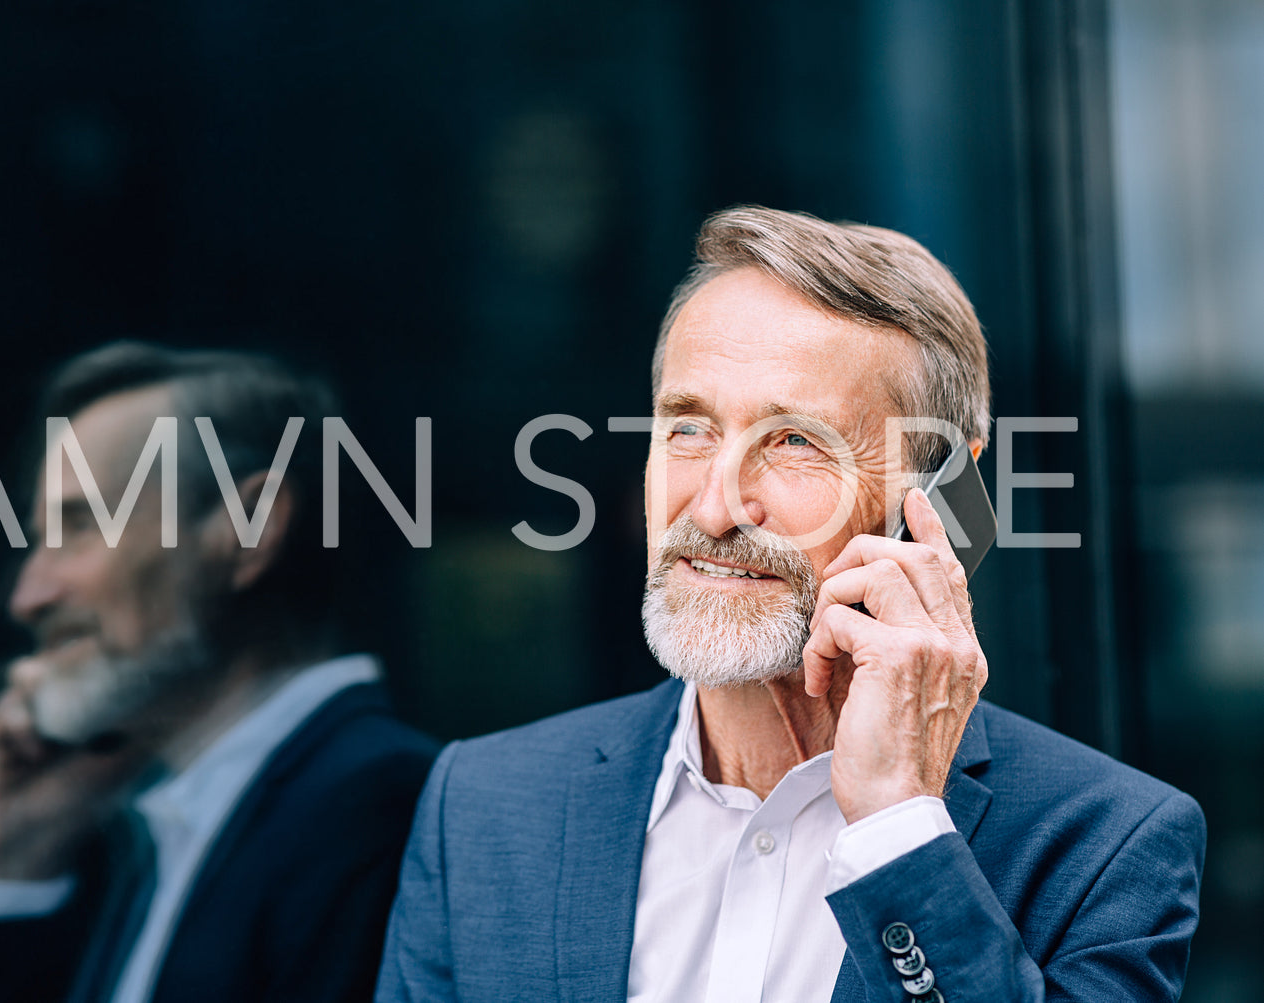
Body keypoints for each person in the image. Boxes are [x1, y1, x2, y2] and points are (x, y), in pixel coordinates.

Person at [376, 207, 1205, 1002]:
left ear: (942, 493)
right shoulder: (481, 806)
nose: (710, 508)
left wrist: (901, 829)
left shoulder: (1107, 845)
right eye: (687, 428)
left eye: (796, 441)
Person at [0, 342, 438, 1003]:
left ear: (250, 526)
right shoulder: (132, 833)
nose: (28, 595)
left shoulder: (379, 809)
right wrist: (17, 868)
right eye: (40, 537)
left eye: (78, 526)